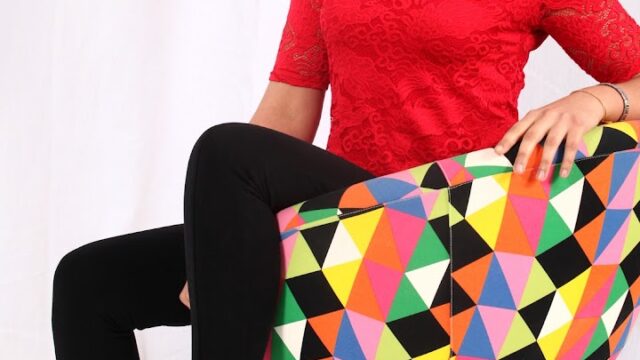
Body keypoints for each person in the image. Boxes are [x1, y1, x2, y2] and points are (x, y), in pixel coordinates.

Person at [51, 0, 640, 359]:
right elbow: (284, 115)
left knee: (226, 148)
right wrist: (210, 240)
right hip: (347, 207)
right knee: (87, 281)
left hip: (458, 219)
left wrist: (599, 98)